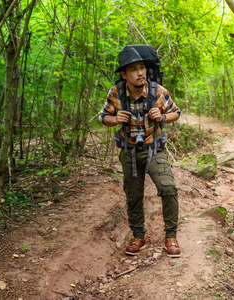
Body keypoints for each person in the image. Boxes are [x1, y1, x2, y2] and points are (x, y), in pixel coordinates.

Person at [98, 45, 181, 258]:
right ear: (124, 74)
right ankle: (138, 236)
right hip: (129, 151)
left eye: (142, 67)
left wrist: (161, 116)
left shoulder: (158, 91)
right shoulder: (116, 93)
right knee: (133, 196)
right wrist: (115, 119)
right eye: (134, 70)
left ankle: (171, 236)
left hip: (154, 148)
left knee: (168, 188)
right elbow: (103, 117)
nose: (140, 73)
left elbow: (176, 113)